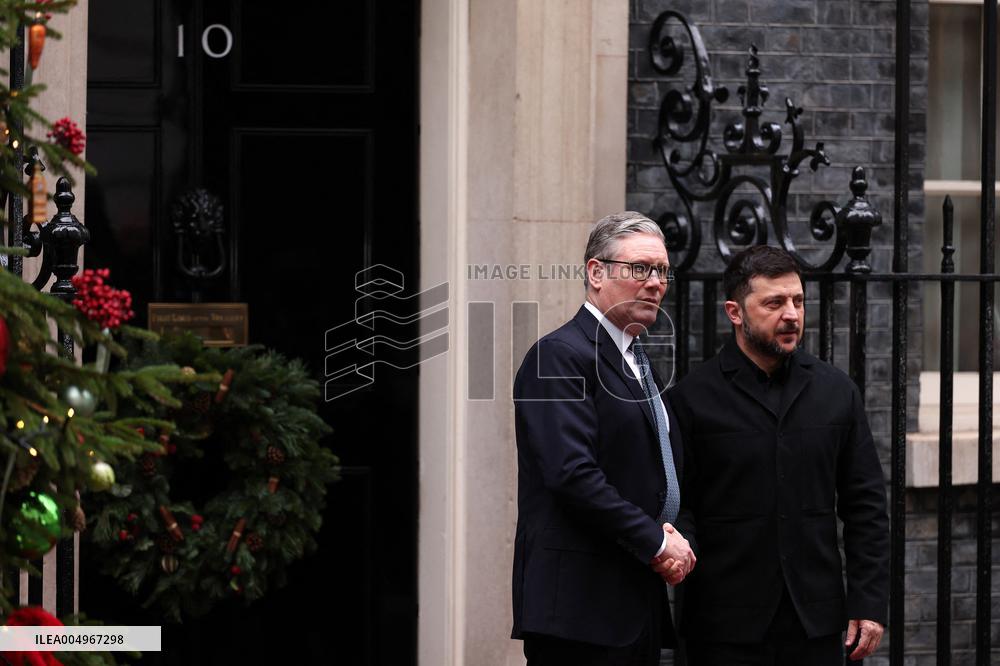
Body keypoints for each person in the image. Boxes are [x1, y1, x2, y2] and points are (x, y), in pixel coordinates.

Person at [668, 245, 890, 665]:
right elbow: (679, 505)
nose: (791, 314)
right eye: (774, 302)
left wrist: (869, 603)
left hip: (816, 625)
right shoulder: (691, 399)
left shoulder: (837, 392)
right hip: (720, 627)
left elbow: (866, 506)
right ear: (735, 312)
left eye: (798, 301)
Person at [511, 211, 696, 666]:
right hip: (579, 612)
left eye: (662, 272)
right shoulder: (558, 355)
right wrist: (655, 540)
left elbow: (651, 471)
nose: (655, 283)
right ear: (596, 273)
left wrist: (670, 535)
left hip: (632, 601)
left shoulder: (637, 359)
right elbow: (572, 475)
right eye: (640, 269)